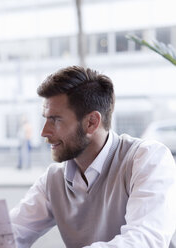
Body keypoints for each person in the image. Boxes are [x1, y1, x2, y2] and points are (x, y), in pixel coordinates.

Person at [10, 66, 176, 248]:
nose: (43, 132)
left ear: (91, 123)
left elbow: (144, 239)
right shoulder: (54, 179)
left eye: (55, 120)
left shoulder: (147, 159)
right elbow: (10, 233)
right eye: (45, 118)